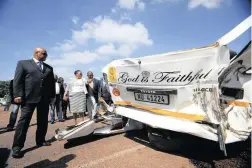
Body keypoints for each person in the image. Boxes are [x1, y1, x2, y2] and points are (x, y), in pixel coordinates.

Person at [12, 47, 55, 158]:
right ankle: (17, 147)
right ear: (37, 53)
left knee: (43, 121)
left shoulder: (49, 68)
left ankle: (40, 140)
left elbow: (51, 84)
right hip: (28, 98)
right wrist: (17, 95)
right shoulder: (23, 63)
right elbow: (18, 80)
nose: (46, 55)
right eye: (44, 53)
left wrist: (52, 97)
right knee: (23, 122)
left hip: (44, 99)